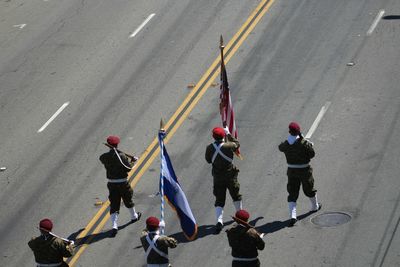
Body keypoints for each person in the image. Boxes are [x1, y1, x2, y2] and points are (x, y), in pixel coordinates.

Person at [278, 122, 321, 227]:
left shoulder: (286, 144)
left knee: (292, 192)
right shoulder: (303, 143)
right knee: (309, 189)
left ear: (289, 132)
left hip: (292, 171)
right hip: (304, 170)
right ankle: (315, 206)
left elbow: (280, 147)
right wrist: (309, 144)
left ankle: (293, 216)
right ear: (298, 131)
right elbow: (312, 154)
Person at [99, 135, 141, 236]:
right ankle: (134, 216)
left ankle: (114, 225)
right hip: (122, 182)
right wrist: (133, 160)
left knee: (114, 203)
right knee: (128, 199)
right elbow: (128, 168)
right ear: (117, 144)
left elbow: (103, 159)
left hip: (112, 183)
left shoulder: (104, 157)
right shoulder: (121, 156)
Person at [205, 126, 243, 234]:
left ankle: (219, 221)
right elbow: (237, 144)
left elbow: (208, 160)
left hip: (218, 177)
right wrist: (229, 134)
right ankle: (240, 216)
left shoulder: (209, 148)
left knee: (219, 199)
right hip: (230, 176)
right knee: (236, 195)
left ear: (213, 136)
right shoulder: (229, 145)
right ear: (223, 136)